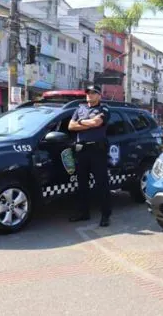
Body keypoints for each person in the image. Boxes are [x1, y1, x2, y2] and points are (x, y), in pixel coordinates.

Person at [68, 84, 111, 227]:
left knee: (101, 184)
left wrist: (80, 122)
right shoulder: (79, 108)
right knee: (82, 184)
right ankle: (83, 213)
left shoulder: (103, 109)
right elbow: (71, 126)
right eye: (88, 92)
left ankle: (105, 215)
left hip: (97, 151)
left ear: (99, 95)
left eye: (93, 93)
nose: (90, 95)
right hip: (82, 150)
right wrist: (87, 123)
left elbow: (97, 122)